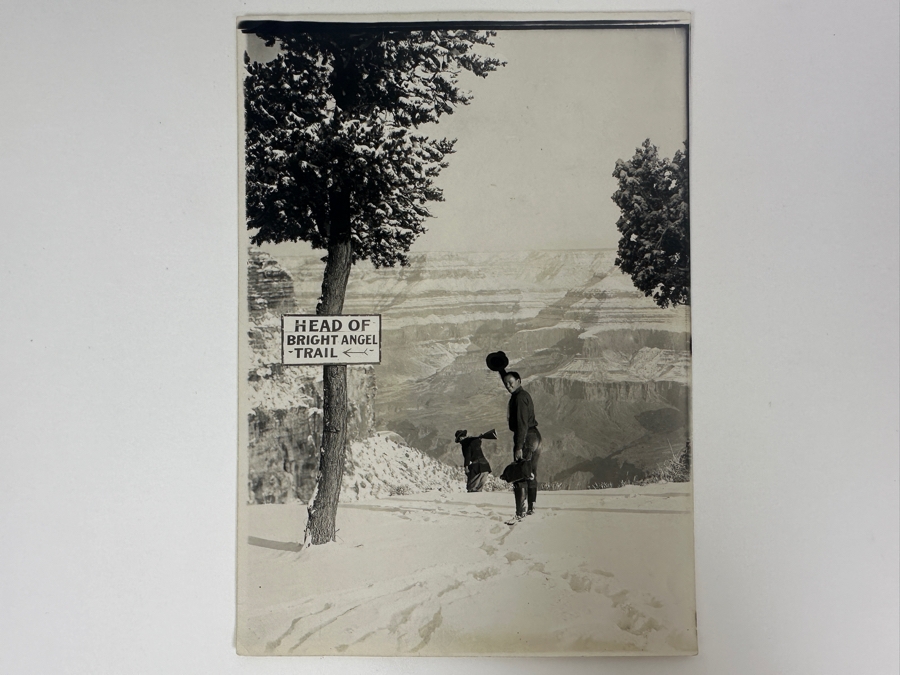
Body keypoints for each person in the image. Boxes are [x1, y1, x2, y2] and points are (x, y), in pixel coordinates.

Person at [503, 371, 542, 520]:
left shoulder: (518, 399)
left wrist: (519, 446)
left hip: (526, 438)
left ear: (519, 381)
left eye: (510, 383)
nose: (508, 386)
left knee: (519, 474)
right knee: (531, 472)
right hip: (536, 436)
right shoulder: (523, 394)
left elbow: (521, 425)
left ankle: (520, 512)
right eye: (506, 383)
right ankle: (531, 507)